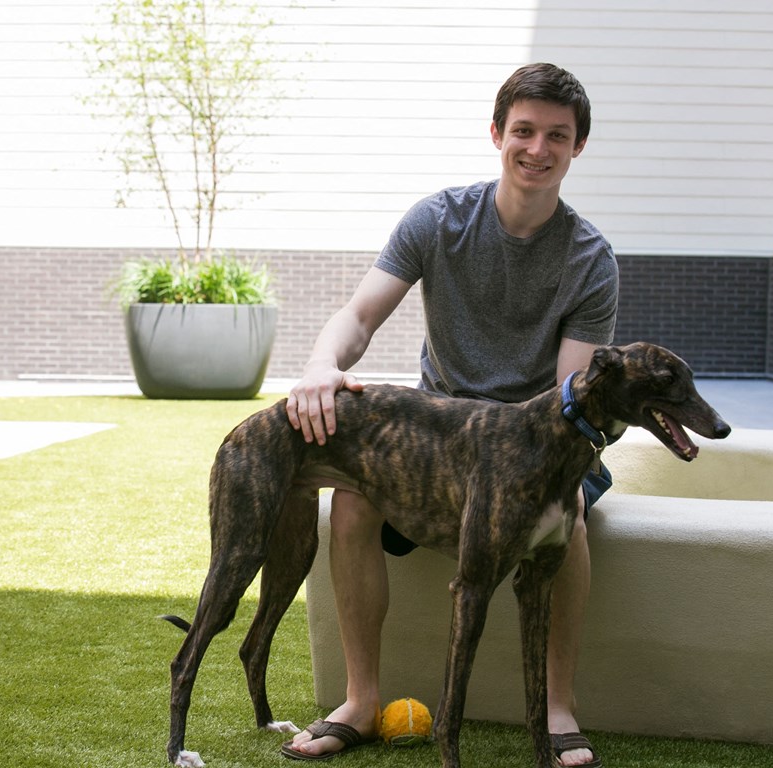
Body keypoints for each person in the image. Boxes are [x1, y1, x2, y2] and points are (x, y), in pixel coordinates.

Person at [281, 63, 617, 768]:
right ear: (497, 134)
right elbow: (360, 315)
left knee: (571, 518)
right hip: (437, 441)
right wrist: (321, 367)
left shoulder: (590, 259)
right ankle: (361, 700)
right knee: (351, 497)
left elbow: (569, 398)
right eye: (523, 130)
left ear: (577, 147)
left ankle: (559, 709)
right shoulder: (438, 219)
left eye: (557, 136)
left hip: (532, 444)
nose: (538, 149)